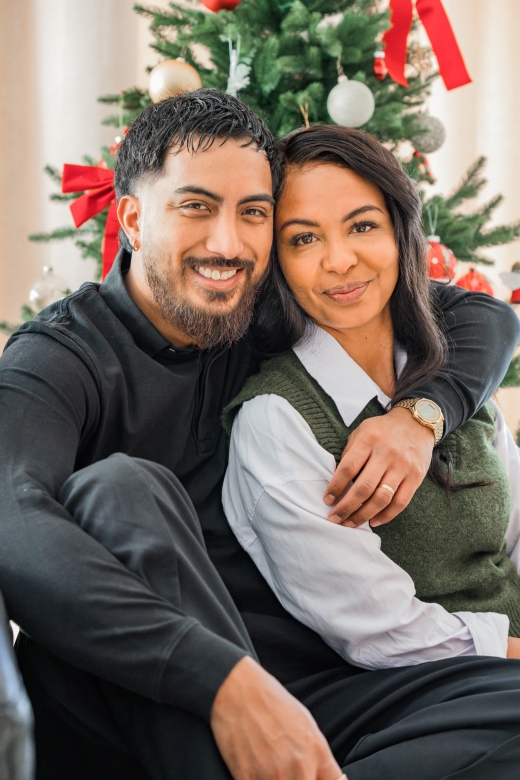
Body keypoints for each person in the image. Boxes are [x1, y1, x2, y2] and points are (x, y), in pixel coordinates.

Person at [0, 91, 518, 780]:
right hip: (156, 690)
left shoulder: (259, 314)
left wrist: (418, 417)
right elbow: (11, 515)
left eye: (254, 214)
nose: (228, 243)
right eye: (195, 206)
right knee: (119, 489)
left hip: (320, 688)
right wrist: (225, 680)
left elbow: (479, 317)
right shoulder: (60, 359)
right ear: (130, 218)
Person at [223, 123, 520, 679]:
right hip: (431, 693)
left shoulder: (451, 373)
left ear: (401, 233)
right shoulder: (276, 419)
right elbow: (384, 634)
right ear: (275, 261)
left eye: (362, 225)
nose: (340, 260)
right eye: (303, 238)